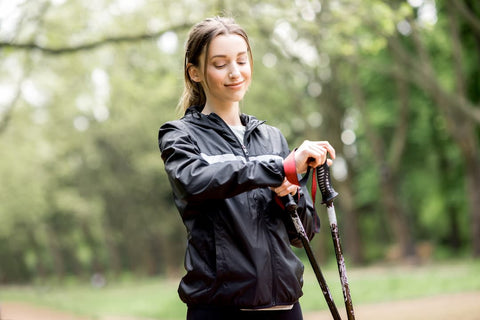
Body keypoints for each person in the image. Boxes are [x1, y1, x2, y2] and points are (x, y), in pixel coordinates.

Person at [158, 16, 335, 320]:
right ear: (195, 72)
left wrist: (287, 195)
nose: (234, 72)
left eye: (242, 60)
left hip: (285, 308)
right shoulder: (179, 135)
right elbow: (194, 181)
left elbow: (302, 232)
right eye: (220, 63)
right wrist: (278, 167)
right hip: (219, 309)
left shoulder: (272, 137)